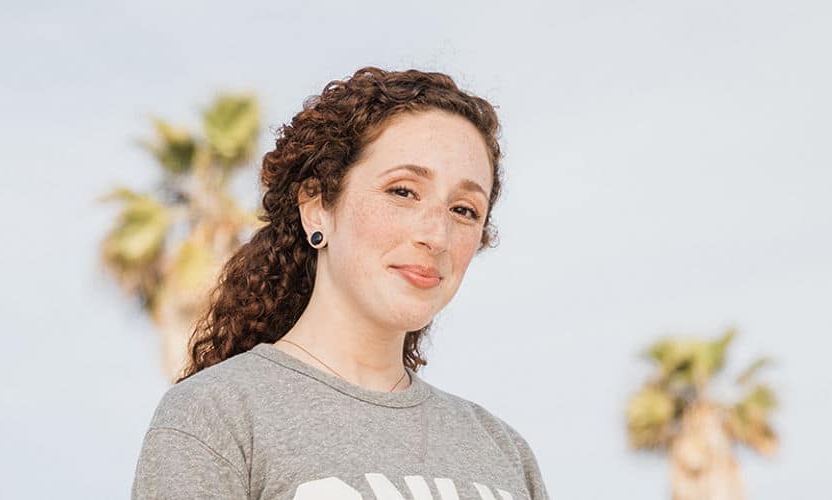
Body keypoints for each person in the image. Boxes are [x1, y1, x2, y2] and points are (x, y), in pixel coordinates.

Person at [131, 66, 546, 500]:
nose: (437, 236)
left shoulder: (504, 453)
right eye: (403, 191)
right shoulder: (215, 417)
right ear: (317, 208)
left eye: (464, 210)